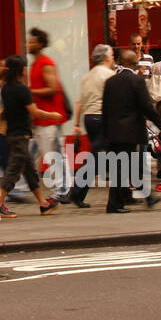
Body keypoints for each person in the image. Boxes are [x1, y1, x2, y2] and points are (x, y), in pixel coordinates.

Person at [0, 55, 61, 217]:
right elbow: (34, 112)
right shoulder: (22, 89)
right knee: (13, 171)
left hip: (12, 134)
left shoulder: (6, 88)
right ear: (21, 70)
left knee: (29, 172)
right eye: (25, 68)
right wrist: (53, 115)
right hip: (20, 135)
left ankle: (43, 204)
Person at [101, 50, 161, 213]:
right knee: (123, 169)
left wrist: (105, 132)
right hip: (129, 132)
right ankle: (114, 205)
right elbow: (147, 107)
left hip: (114, 131)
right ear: (135, 63)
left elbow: (105, 109)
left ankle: (147, 198)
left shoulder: (110, 82)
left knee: (126, 167)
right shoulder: (137, 81)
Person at [64, 44, 116, 209]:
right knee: (101, 157)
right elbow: (114, 100)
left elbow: (79, 101)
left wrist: (77, 123)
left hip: (89, 118)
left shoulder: (87, 76)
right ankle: (75, 191)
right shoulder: (109, 75)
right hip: (102, 118)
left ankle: (77, 193)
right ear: (106, 57)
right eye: (112, 55)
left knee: (99, 157)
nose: (113, 57)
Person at [27, 29, 70, 197]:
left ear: (40, 44)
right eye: (28, 41)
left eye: (32, 42)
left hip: (50, 118)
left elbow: (53, 89)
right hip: (40, 119)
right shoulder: (36, 64)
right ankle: (59, 188)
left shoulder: (46, 63)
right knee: (45, 154)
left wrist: (30, 92)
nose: (28, 44)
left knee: (54, 154)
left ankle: (62, 189)